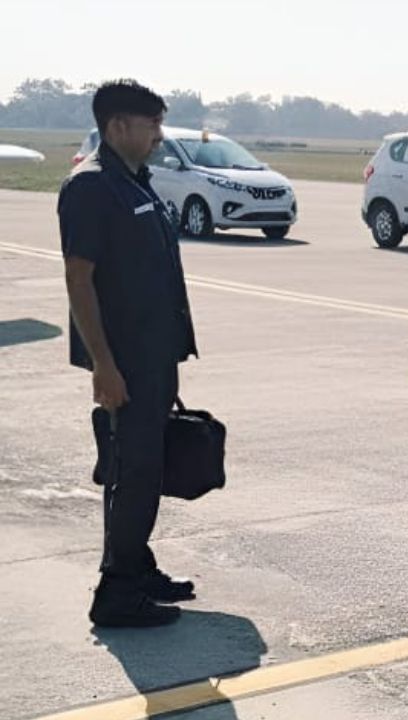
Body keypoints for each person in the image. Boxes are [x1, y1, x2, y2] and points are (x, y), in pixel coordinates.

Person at [60, 80, 200, 628]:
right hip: (125, 363)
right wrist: (103, 364)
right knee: (132, 472)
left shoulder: (132, 182)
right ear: (119, 127)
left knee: (147, 468)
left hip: (152, 356)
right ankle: (117, 593)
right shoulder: (92, 187)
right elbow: (78, 278)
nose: (159, 137)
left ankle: (135, 566)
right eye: (152, 126)